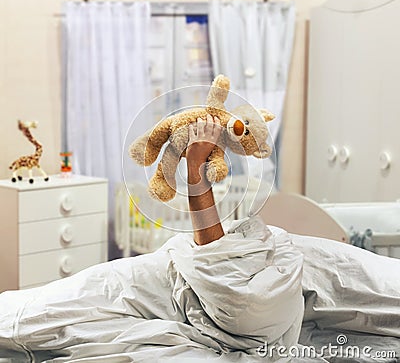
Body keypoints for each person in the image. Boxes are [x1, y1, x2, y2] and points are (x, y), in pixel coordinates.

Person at [0, 114, 304, 362]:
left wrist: (196, 168)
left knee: (74, 302)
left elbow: (226, 280)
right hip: (163, 274)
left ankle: (13, 320)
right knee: (82, 291)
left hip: (169, 285)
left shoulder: (287, 272)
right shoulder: (278, 246)